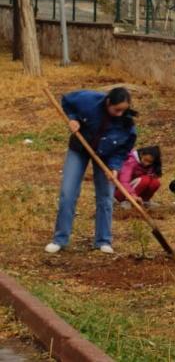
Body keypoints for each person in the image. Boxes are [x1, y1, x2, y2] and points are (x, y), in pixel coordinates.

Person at [46, 87, 138, 254]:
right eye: (117, 109)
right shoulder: (88, 100)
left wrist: (115, 168)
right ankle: (60, 239)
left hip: (106, 156)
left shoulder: (126, 123)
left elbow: (123, 149)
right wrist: (73, 119)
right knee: (68, 193)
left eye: (123, 110)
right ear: (108, 102)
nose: (119, 114)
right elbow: (67, 100)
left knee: (105, 196)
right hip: (79, 149)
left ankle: (103, 240)